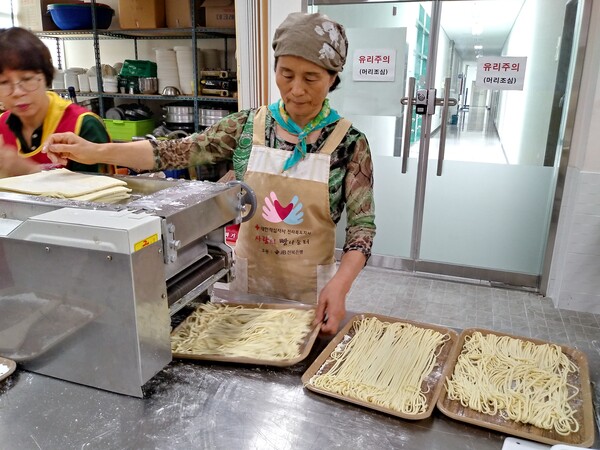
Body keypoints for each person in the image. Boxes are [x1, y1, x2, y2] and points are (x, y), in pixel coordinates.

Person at [43, 12, 376, 334]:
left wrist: (341, 285)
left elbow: (362, 229)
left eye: (311, 78)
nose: (297, 90)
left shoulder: (349, 143)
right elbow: (174, 151)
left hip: (313, 293)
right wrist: (92, 150)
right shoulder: (248, 126)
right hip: (248, 287)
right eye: (286, 75)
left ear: (333, 78)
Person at [0, 27, 109, 177]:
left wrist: (29, 171)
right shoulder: (1, 126)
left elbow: (102, 195)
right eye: (4, 82)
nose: (18, 92)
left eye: (27, 79)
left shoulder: (83, 125)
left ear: (46, 76)